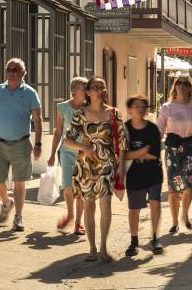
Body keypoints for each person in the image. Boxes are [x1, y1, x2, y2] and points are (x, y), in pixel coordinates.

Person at [63, 77, 126, 262]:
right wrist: (84, 148)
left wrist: (121, 167)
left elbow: (122, 142)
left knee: (106, 205)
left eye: (101, 87)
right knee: (89, 206)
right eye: (94, 87)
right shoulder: (80, 114)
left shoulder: (114, 114)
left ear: (105, 90)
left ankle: (104, 248)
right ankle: (92, 248)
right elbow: (68, 140)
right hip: (86, 167)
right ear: (88, 91)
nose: (98, 90)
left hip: (107, 166)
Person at [0, 58, 42, 232]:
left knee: (19, 183)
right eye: (9, 69)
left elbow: (37, 119)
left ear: (23, 73)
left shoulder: (30, 93)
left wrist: (38, 144)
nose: (12, 73)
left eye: (16, 70)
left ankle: (18, 217)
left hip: (21, 144)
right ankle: (7, 202)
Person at [156, 75, 192, 233]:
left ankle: (185, 215)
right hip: (172, 149)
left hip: (190, 147)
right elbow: (159, 130)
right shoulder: (166, 107)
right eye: (179, 83)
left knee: (190, 185)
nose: (182, 86)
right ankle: (174, 222)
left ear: (190, 87)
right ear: (174, 86)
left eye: (186, 83)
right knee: (173, 188)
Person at [123, 94, 164, 256]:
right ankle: (134, 241)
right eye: (136, 106)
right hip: (134, 174)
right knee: (134, 209)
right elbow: (122, 155)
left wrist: (132, 153)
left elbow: (154, 155)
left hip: (153, 173)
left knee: (155, 203)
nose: (140, 110)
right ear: (129, 110)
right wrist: (141, 152)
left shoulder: (153, 129)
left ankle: (155, 238)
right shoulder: (124, 129)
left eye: (143, 107)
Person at [46, 77, 87, 235]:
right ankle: (70, 215)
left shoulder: (89, 107)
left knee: (81, 188)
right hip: (67, 150)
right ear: (75, 90)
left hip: (84, 153)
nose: (86, 91)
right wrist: (51, 155)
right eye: (84, 88)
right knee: (68, 185)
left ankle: (78, 223)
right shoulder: (63, 107)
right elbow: (58, 131)